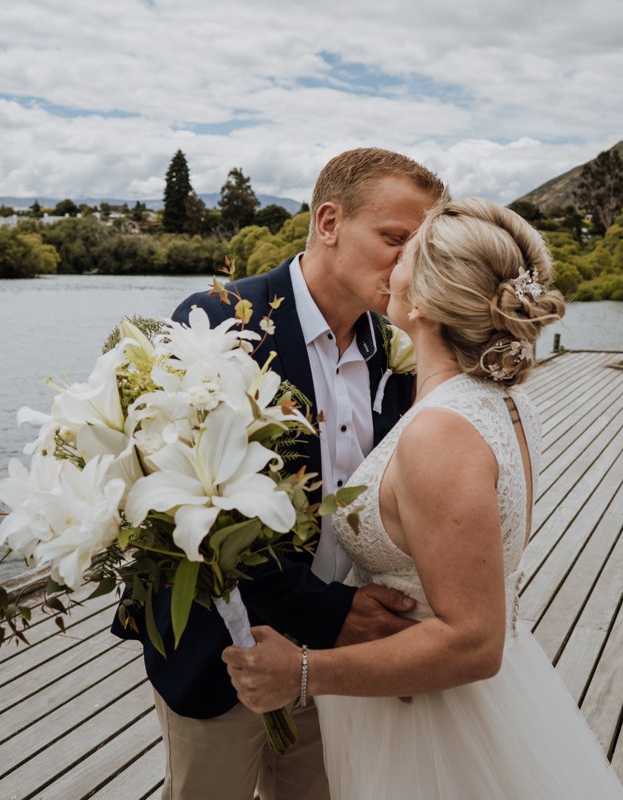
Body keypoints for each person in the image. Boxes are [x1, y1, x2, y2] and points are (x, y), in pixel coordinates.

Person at [223, 198, 623, 799]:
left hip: (431, 722)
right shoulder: (504, 404)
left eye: (405, 255)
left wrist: (303, 673)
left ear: (420, 304)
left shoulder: (441, 432)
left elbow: (473, 639)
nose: (389, 266)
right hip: (433, 693)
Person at [111, 147, 448, 799]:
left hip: (334, 667)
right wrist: (334, 613)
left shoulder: (395, 354)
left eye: (422, 247)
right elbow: (199, 521)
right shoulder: (220, 323)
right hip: (219, 660)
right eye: (395, 239)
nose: (411, 265)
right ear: (328, 222)